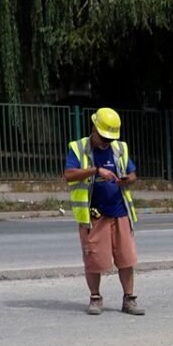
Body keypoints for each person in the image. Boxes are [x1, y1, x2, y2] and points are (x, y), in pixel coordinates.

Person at [64, 107, 142, 315]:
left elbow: (134, 174)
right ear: (94, 128)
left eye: (109, 138)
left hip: (119, 212)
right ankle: (95, 298)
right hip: (94, 215)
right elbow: (69, 175)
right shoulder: (79, 148)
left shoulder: (119, 148)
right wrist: (96, 170)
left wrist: (128, 180)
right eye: (103, 137)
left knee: (127, 258)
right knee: (95, 260)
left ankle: (129, 299)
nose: (106, 142)